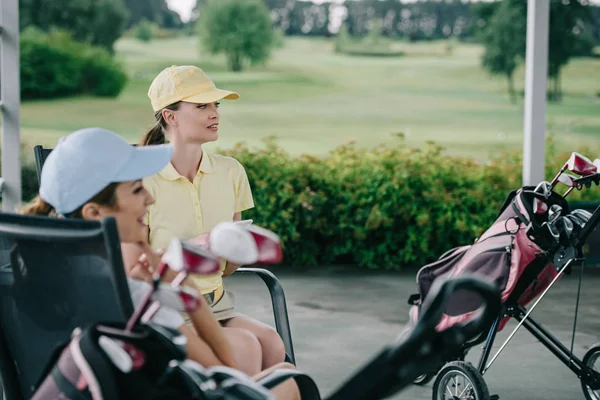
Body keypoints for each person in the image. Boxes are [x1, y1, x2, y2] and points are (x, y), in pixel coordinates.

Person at [19, 127, 300, 400]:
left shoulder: (28, 274)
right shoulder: (133, 293)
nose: (150, 198)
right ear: (94, 212)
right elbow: (225, 372)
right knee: (287, 378)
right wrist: (184, 287)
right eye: (137, 190)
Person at [131, 65, 285, 374]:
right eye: (202, 106)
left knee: (272, 343)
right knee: (248, 347)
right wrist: (194, 249)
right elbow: (134, 271)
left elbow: (227, 270)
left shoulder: (231, 172)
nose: (215, 113)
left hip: (216, 303)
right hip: (166, 310)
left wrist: (234, 249)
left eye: (216, 105)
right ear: (170, 116)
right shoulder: (141, 181)